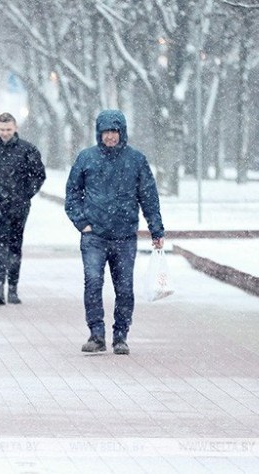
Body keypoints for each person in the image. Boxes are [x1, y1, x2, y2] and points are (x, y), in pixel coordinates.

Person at [65, 109, 165, 356]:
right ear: (99, 133)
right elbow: (72, 194)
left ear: (122, 133)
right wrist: (83, 223)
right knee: (93, 283)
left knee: (124, 288)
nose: (110, 136)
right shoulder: (86, 158)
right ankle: (96, 334)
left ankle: (121, 336)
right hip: (94, 236)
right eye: (106, 132)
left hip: (124, 236)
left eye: (115, 132)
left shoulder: (136, 160)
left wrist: (156, 230)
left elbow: (149, 197)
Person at [0, 112, 46, 305]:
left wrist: (25, 194)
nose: (5, 133)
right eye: (2, 129)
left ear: (15, 129)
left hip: (19, 206)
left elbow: (38, 175)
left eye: (8, 129)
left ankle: (13, 287)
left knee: (15, 245)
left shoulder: (27, 150)